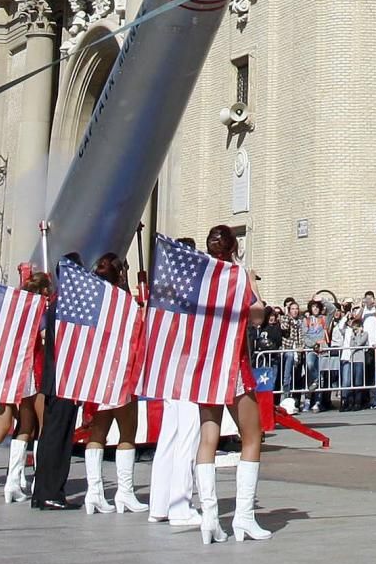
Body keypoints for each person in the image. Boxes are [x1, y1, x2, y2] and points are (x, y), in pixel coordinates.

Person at [195, 225, 271, 544]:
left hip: (204, 365)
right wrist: (253, 286)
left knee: (207, 438)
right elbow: (257, 315)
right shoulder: (237, 275)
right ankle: (243, 517)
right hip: (232, 365)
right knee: (251, 437)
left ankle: (210, 517)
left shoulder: (198, 276)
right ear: (233, 247)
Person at [0, 271, 49, 503]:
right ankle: (29, 477)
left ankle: (13, 479)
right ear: (44, 291)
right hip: (24, 372)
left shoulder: (11, 312)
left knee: (21, 426)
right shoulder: (38, 311)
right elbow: (45, 336)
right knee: (31, 426)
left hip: (6, 372)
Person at [83, 253, 147, 515]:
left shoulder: (90, 303)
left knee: (97, 433)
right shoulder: (126, 304)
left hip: (97, 374)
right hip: (120, 373)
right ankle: (125, 492)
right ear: (120, 275)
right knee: (127, 433)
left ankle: (94, 492)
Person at [148, 236, 202, 528]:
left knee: (169, 438)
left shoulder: (163, 292)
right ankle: (180, 505)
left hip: (167, 369)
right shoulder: (189, 291)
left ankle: (159, 504)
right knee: (187, 437)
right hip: (187, 371)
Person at [31, 253, 84, 511]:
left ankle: (41, 491)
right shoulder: (70, 306)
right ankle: (51, 492)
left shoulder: (56, 303)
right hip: (64, 378)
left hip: (54, 378)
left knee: (50, 436)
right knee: (58, 439)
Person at [302, 300, 329, 412]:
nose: (316, 309)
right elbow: (304, 335)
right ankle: (308, 400)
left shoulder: (324, 319)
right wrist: (313, 345)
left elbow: (332, 309)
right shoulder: (306, 320)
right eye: (313, 307)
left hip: (323, 349)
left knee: (321, 375)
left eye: (317, 307)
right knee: (310, 366)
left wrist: (321, 299)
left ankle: (317, 402)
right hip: (311, 349)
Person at [280, 300, 305, 407]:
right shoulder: (285, 319)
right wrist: (287, 316)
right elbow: (284, 328)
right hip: (288, 349)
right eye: (292, 309)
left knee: (297, 376)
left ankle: (296, 400)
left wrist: (302, 346)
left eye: (296, 309)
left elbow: (303, 335)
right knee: (287, 375)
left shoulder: (300, 321)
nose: (295, 311)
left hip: (298, 351)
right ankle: (286, 397)